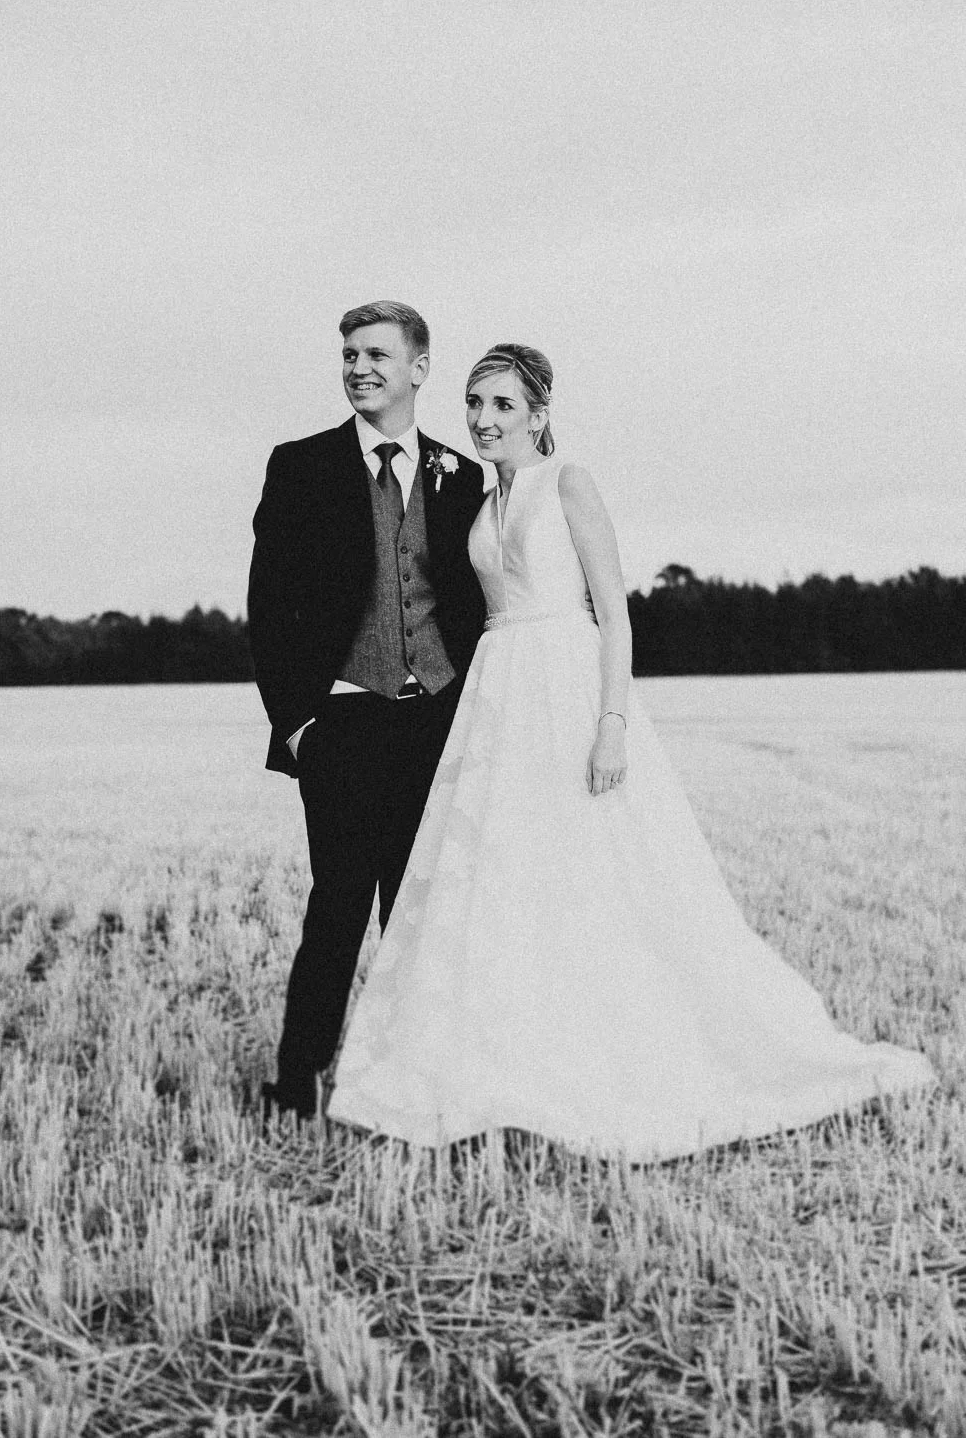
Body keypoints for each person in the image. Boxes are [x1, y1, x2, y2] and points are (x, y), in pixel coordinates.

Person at [326, 343, 935, 1159]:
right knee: (507, 874)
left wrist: (610, 722)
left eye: (503, 404)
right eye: (474, 403)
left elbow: (614, 614)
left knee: (600, 868)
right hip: (500, 693)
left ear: (538, 414)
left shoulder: (568, 482)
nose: (483, 419)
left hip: (568, 684)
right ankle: (508, 1057)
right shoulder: (480, 497)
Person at [247, 301, 486, 1121]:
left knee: (419, 913)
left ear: (420, 368)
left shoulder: (462, 476)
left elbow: (472, 603)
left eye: (377, 355)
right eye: (349, 354)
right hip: (342, 723)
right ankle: (298, 1082)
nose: (359, 368)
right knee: (338, 906)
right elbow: (268, 606)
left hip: (435, 723)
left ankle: (408, 1081)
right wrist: (297, 725)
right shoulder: (300, 466)